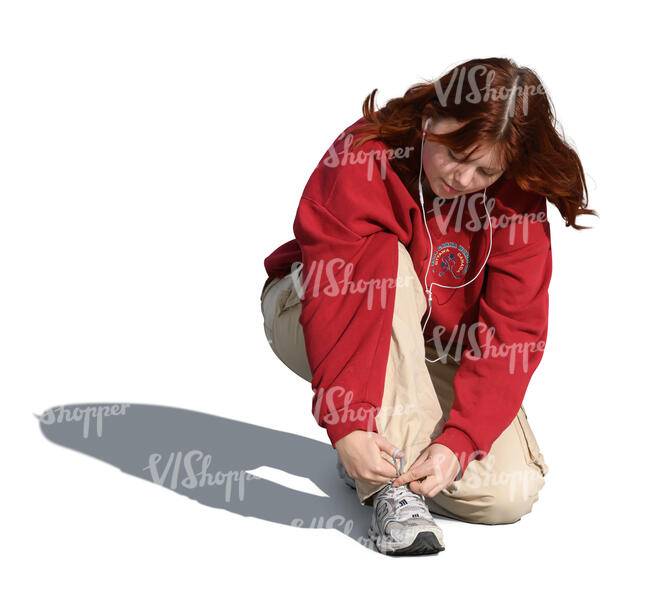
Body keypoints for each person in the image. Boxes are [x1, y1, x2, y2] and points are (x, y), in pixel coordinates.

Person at [260, 57, 596, 556]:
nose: (462, 177)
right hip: (309, 309)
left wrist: (456, 445)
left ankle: (378, 457)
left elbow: (514, 332)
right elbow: (337, 297)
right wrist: (346, 424)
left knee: (508, 494)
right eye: (456, 153)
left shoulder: (516, 204)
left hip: (426, 345)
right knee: (386, 264)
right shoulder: (366, 156)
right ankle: (389, 488)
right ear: (431, 118)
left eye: (485, 169)